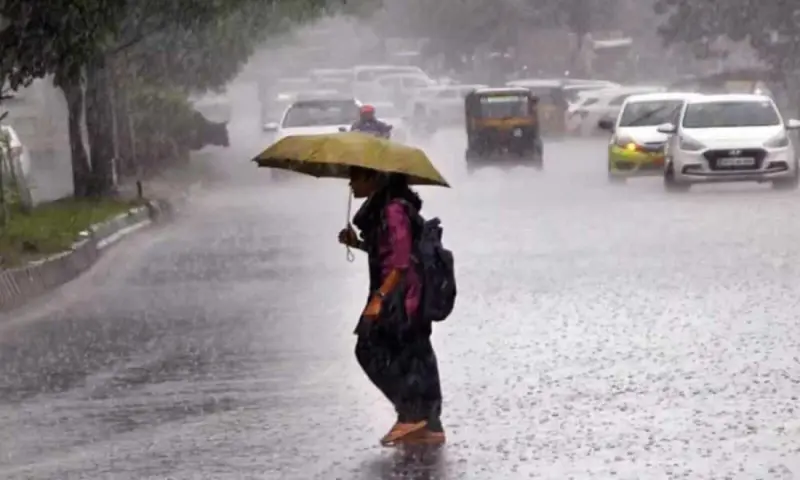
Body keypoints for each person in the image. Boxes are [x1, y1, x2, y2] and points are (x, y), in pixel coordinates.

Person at [338, 167, 445, 447]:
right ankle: (429, 425)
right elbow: (385, 251)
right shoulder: (385, 208)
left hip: (401, 296)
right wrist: (358, 243)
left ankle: (411, 414)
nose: (351, 183)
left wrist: (380, 298)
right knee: (413, 356)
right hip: (403, 293)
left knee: (369, 348)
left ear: (375, 178)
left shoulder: (393, 210)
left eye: (356, 176)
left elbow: (400, 261)